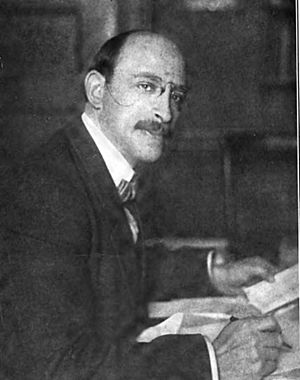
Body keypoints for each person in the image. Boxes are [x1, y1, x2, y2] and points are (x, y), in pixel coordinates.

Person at [0, 30, 284, 380]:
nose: (165, 112)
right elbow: (50, 366)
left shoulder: (94, 161)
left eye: (175, 95)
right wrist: (211, 359)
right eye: (146, 86)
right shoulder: (47, 191)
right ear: (97, 91)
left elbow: (113, 265)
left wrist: (212, 273)